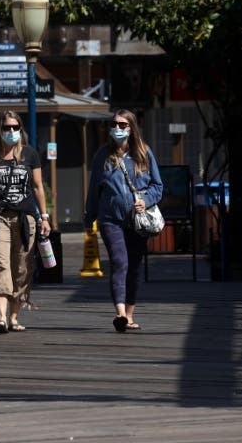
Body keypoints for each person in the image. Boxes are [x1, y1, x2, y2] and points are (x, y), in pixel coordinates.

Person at [0, 110, 50, 333]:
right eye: (6, 128)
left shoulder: (30, 155)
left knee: (22, 268)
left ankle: (14, 316)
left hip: (25, 217)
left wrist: (45, 216)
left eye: (15, 127)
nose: (11, 132)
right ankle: (1, 317)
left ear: (20, 129)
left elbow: (38, 187)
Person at [83, 108, 163, 332]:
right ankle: (119, 313)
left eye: (122, 125)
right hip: (111, 219)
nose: (117, 129)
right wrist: (90, 217)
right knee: (120, 263)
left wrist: (145, 200)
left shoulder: (144, 153)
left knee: (135, 267)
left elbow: (158, 186)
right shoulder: (103, 156)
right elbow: (94, 189)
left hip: (138, 221)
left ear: (132, 128)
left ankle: (129, 314)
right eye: (114, 125)